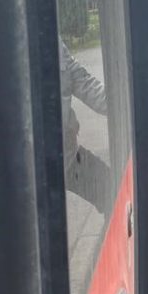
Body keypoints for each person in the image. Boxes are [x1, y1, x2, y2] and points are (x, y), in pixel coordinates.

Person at [59, 39, 110, 214]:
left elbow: (87, 86)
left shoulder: (54, 41)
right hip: (22, 175)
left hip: (67, 157)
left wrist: (140, 104)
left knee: (111, 189)